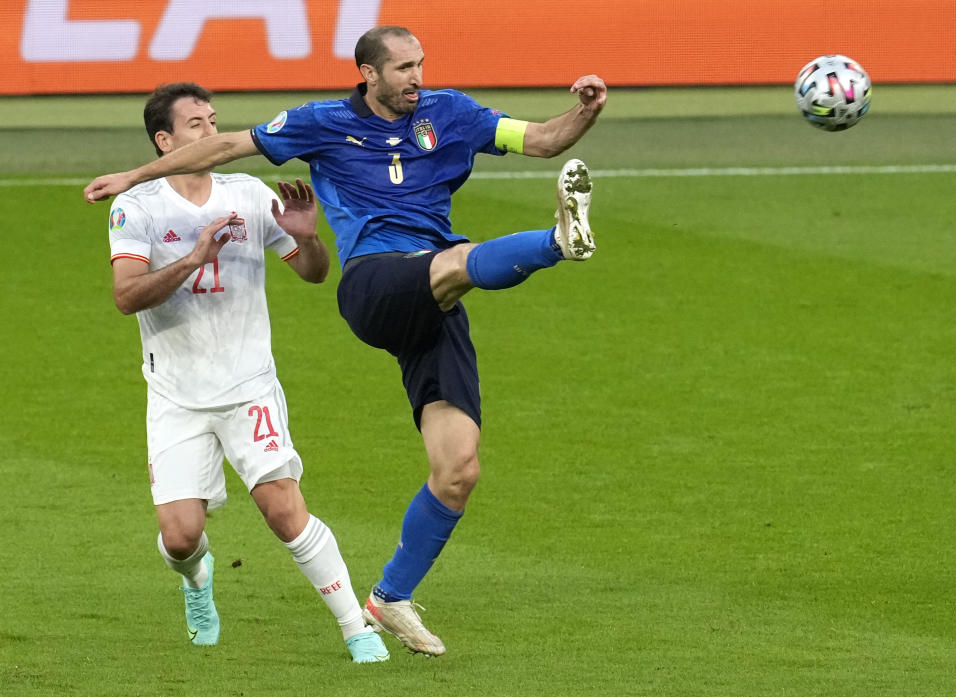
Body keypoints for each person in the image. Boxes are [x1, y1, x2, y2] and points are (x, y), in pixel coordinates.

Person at [85, 27, 607, 657]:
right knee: (455, 261)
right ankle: (556, 241)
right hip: (376, 282)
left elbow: (543, 140)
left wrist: (584, 109)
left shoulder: (453, 113)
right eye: (404, 68)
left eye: (420, 65)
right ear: (368, 74)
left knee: (458, 470)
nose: (417, 78)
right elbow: (227, 145)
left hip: (434, 303)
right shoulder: (322, 122)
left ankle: (390, 598)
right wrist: (135, 174)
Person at [104, 82, 389, 663]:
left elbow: (312, 273)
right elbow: (127, 297)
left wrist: (309, 240)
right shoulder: (137, 206)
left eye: (214, 120)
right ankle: (196, 580)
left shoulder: (249, 195)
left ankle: (356, 627)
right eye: (196, 125)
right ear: (165, 140)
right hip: (176, 395)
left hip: (247, 384)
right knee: (181, 537)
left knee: (284, 509)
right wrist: (191, 259)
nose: (213, 132)